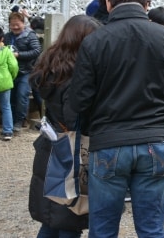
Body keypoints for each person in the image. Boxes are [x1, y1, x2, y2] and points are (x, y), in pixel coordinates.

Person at [68, 0, 164, 237]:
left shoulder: (95, 41)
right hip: (154, 139)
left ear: (109, 4)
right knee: (152, 228)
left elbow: (80, 99)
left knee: (103, 229)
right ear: (147, 4)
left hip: (108, 140)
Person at [29, 15, 101, 238]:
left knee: (52, 218)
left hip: (51, 145)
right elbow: (75, 118)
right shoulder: (76, 75)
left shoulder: (49, 64)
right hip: (72, 149)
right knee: (69, 219)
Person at [6, 10, 42, 133]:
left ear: (23, 23)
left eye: (17, 24)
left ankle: (19, 121)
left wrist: (18, 55)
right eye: (12, 25)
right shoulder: (7, 37)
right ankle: (10, 122)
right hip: (10, 73)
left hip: (26, 71)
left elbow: (37, 51)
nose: (15, 27)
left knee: (22, 96)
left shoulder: (30, 35)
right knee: (10, 98)